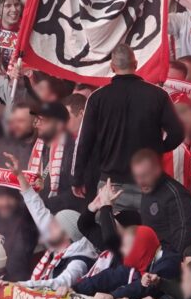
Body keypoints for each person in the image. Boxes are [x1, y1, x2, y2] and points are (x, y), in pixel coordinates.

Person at [74, 46, 185, 192]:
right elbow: (177, 133)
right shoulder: (158, 95)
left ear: (112, 67)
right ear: (136, 64)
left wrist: (78, 179)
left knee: (110, 216)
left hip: (110, 184)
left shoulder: (97, 98)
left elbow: (85, 141)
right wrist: (157, 149)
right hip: (148, 182)